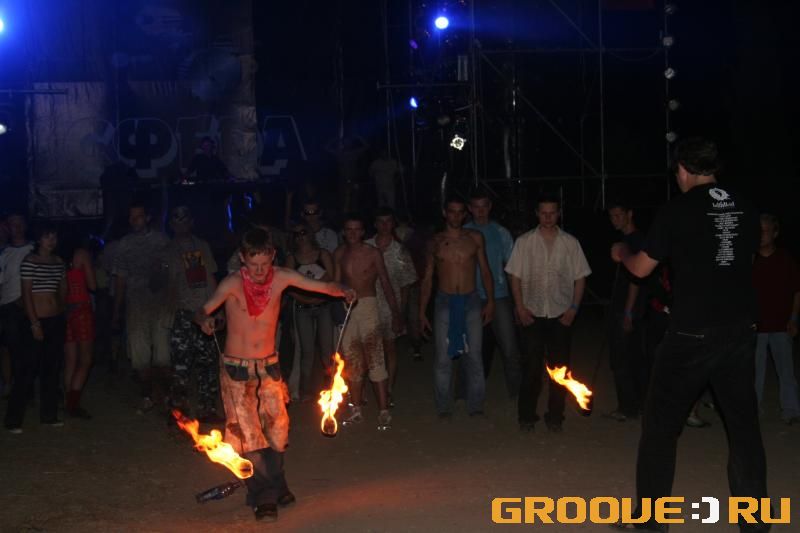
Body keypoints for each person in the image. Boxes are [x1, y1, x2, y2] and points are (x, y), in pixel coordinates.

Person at [610, 137, 769, 532]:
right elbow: (745, 260)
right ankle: (755, 523)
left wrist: (622, 253)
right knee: (744, 429)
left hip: (691, 334)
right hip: (739, 330)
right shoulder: (746, 206)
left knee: (660, 429)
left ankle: (651, 521)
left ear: (682, 169)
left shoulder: (677, 210)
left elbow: (642, 268)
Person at [194, 227, 355, 521]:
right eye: (253, 264)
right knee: (249, 435)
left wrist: (342, 289)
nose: (259, 271)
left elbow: (322, 287)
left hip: (269, 365)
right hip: (237, 368)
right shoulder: (232, 283)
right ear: (242, 258)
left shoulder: (281, 277)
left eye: (264, 264)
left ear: (273, 257)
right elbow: (203, 310)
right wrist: (205, 320)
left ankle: (277, 483)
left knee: (279, 430)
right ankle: (263, 495)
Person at [506, 194, 591, 432]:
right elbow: (515, 276)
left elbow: (580, 277)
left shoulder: (570, 243)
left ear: (558, 213)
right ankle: (526, 416)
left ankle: (555, 417)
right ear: (537, 214)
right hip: (531, 314)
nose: (548, 217)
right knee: (531, 369)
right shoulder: (524, 242)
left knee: (560, 369)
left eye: (552, 212)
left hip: (560, 315)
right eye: (543, 213)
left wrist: (573, 309)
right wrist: (520, 307)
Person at [419, 196, 494, 418]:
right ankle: (443, 406)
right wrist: (421, 311)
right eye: (452, 211)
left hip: (471, 299)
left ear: (465, 214)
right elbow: (428, 278)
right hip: (445, 300)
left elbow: (485, 270)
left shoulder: (475, 238)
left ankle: (476, 405)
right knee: (443, 358)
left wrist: (490, 301)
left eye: (460, 211)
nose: (456, 216)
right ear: (445, 213)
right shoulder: (435, 242)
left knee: (475, 356)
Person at [334, 214, 403, 429]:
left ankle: (383, 410)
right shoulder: (339, 253)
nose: (353, 233)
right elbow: (335, 283)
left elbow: (385, 282)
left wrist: (396, 314)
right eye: (349, 229)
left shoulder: (373, 253)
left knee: (375, 358)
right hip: (347, 308)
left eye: (357, 229)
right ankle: (356, 410)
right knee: (352, 360)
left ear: (363, 232)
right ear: (344, 232)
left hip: (368, 305)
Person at [5, 223, 66, 433]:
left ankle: (48, 416)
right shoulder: (29, 261)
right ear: (39, 239)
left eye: (54, 237)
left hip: (55, 320)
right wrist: (34, 323)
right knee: (26, 371)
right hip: (35, 320)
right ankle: (13, 420)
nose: (51, 241)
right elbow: (27, 294)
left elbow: (62, 289)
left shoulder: (58, 262)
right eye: (47, 236)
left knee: (52, 369)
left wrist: (61, 312)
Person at [112, 202, 171, 413]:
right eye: (132, 217)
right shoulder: (124, 244)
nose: (134, 220)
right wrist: (117, 310)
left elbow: (172, 271)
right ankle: (146, 395)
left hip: (160, 304)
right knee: (140, 354)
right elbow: (120, 278)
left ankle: (166, 395)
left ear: (147, 217)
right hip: (136, 304)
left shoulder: (162, 240)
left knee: (163, 353)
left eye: (138, 216)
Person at [164, 206, 221, 422]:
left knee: (208, 363)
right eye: (176, 219)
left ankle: (208, 409)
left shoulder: (202, 246)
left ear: (191, 221)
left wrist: (218, 309)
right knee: (181, 365)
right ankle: (179, 413)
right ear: (172, 224)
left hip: (205, 311)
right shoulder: (167, 250)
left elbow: (211, 277)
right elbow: (167, 286)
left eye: (185, 218)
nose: (181, 223)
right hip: (182, 314)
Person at [465, 190, 521, 399]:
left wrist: (518, 302)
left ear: (489, 207)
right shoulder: (463, 233)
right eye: (476, 206)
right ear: (470, 209)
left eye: (484, 206)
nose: (480, 211)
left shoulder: (501, 232)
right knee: (470, 349)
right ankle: (469, 393)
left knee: (510, 348)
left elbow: (512, 269)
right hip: (471, 296)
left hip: (499, 296)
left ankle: (517, 393)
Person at [365, 207, 418, 406]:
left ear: (393, 224)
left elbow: (406, 284)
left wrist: (400, 312)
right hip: (368, 303)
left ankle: (388, 390)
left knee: (390, 348)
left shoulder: (400, 251)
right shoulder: (366, 246)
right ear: (375, 224)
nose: (385, 225)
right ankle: (369, 388)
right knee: (369, 348)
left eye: (388, 221)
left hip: (390, 306)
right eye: (381, 221)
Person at [752, 213, 800, 425]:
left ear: (775, 233)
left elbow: (797, 290)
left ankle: (791, 409)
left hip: (781, 324)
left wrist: (794, 318)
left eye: (765, 231)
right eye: (758, 231)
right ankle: (753, 409)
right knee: (755, 371)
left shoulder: (785, 258)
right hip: (756, 326)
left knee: (786, 369)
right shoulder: (750, 258)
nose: (761, 235)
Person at [285, 222, 335, 402]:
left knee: (327, 350)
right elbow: (287, 284)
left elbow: (332, 278)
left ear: (310, 234)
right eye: (296, 234)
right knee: (307, 352)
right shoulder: (292, 258)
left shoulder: (323, 254)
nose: (301, 236)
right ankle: (305, 390)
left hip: (324, 307)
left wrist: (319, 297)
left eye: (303, 232)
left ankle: (331, 388)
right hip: (302, 308)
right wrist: (306, 299)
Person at [606, 200, 646, 422]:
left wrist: (628, 311)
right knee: (632, 357)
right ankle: (638, 405)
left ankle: (628, 407)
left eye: (619, 215)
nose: (615, 220)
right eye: (612, 216)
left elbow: (635, 280)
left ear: (630, 214)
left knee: (622, 359)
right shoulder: (626, 241)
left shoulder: (636, 241)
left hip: (627, 309)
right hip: (624, 307)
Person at [61, 229, 97, 419]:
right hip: (81, 309)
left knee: (70, 360)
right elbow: (92, 285)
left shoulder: (58, 256)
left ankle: (67, 400)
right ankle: (73, 404)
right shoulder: (81, 254)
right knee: (85, 360)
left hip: (65, 310)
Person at [0, 214, 34, 404]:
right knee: (10, 349)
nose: (17, 227)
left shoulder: (35, 248)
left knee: (30, 349)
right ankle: (12, 385)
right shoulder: (4, 253)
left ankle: (27, 388)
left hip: (32, 306)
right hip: (9, 307)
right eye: (13, 224)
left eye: (20, 223)